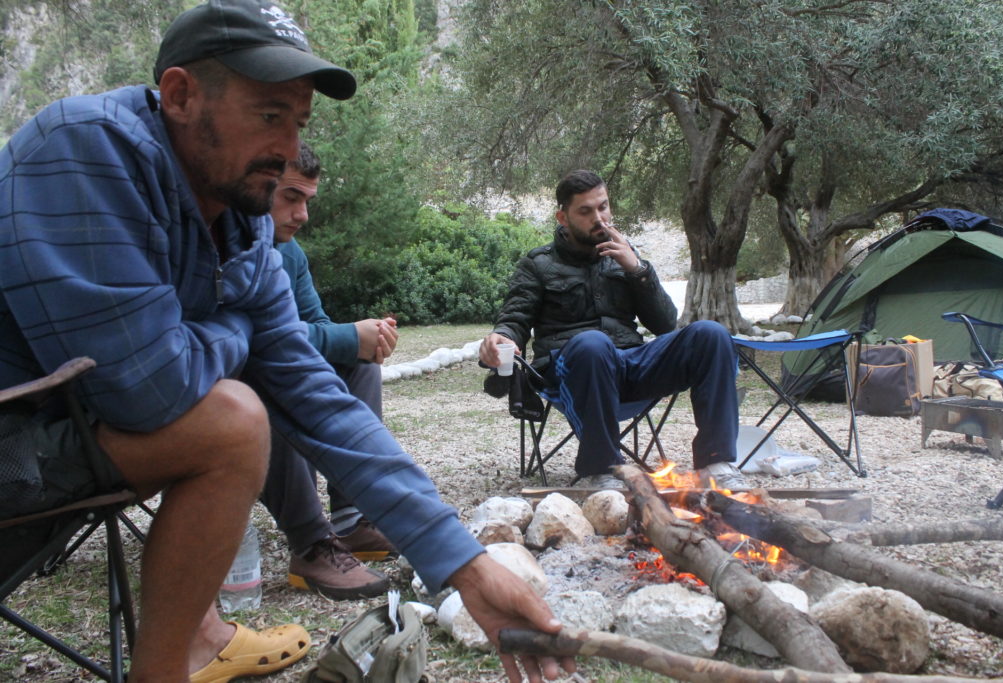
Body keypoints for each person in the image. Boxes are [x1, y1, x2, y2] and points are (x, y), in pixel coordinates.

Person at [0, 2, 574, 682]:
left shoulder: (242, 230)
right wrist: (243, 328)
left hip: (58, 440)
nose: (288, 147)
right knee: (234, 422)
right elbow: (147, 393)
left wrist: (466, 566)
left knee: (246, 411)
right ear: (181, 96)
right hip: (17, 439)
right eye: (270, 114)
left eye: (299, 120)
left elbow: (323, 404)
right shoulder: (83, 151)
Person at [480, 170, 744, 491]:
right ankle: (604, 470)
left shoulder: (627, 257)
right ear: (563, 217)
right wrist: (501, 338)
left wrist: (637, 270)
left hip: (630, 365)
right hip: (574, 371)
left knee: (711, 335)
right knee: (593, 344)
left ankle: (716, 462)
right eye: (585, 211)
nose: (599, 217)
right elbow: (515, 318)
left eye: (603, 207)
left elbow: (664, 324)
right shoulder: (538, 264)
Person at [261, 140, 399, 600]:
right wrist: (346, 337)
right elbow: (261, 342)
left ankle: (352, 519)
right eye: (291, 197)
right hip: (225, 388)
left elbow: (313, 324)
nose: (301, 215)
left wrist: (365, 338)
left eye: (307, 201)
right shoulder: (235, 243)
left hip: (268, 364)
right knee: (270, 381)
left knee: (361, 367)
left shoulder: (291, 252)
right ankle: (310, 542)